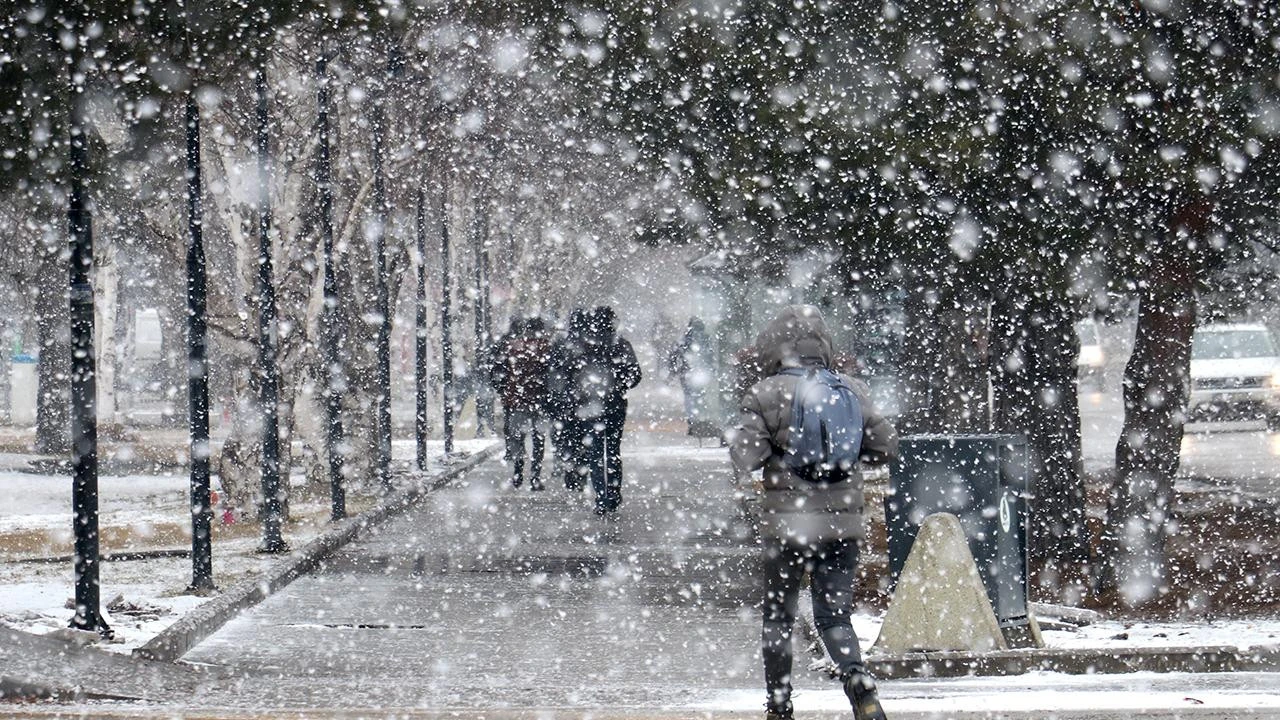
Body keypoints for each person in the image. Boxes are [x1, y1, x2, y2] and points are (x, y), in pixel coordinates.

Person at [729, 305, 899, 720]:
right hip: (843, 521)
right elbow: (885, 445)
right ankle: (858, 679)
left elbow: (746, 455)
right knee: (834, 612)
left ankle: (780, 704)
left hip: (788, 524)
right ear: (823, 346)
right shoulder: (850, 389)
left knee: (779, 615)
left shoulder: (764, 393)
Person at [570, 305, 641, 515]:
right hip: (615, 405)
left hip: (591, 406)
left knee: (595, 452)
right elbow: (635, 374)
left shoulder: (584, 345)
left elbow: (571, 375)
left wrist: (582, 393)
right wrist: (619, 386)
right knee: (612, 450)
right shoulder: (621, 344)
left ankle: (601, 497)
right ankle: (613, 492)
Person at [491, 316, 552, 490]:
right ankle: (535, 477)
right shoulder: (546, 348)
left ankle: (517, 474)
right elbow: (553, 376)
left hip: (517, 400)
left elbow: (498, 371)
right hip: (540, 400)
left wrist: (504, 391)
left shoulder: (512, 347)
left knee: (518, 439)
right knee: (538, 441)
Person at [547, 309, 590, 490]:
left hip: (564, 400)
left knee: (566, 436)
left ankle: (569, 470)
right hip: (584, 401)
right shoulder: (589, 344)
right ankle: (580, 472)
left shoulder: (561, 344)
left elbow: (552, 371)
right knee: (583, 437)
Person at [667, 317, 718, 437]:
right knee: (699, 394)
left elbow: (675, 356)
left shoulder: (683, 339)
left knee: (689, 396)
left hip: (687, 372)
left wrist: (673, 372)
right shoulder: (705, 338)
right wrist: (711, 369)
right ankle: (700, 419)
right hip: (700, 372)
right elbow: (709, 355)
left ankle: (693, 421)